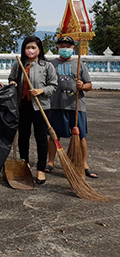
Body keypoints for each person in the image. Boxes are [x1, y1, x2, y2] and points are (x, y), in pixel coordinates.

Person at [46, 36, 98, 178]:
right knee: (53, 135)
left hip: (76, 106)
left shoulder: (79, 64)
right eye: (62, 46)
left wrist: (82, 86)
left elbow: (89, 85)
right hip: (56, 104)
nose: (65, 49)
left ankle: (83, 163)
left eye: (68, 47)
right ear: (57, 47)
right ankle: (50, 161)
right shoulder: (51, 64)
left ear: (73, 48)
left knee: (81, 136)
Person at [8, 36, 58, 184]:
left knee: (41, 138)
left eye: (33, 48)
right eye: (28, 47)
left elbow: (53, 85)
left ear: (39, 49)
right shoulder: (19, 64)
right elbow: (12, 78)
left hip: (40, 106)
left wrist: (41, 91)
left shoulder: (46, 66)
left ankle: (41, 169)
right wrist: (12, 83)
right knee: (23, 136)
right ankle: (25, 164)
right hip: (22, 105)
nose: (30, 50)